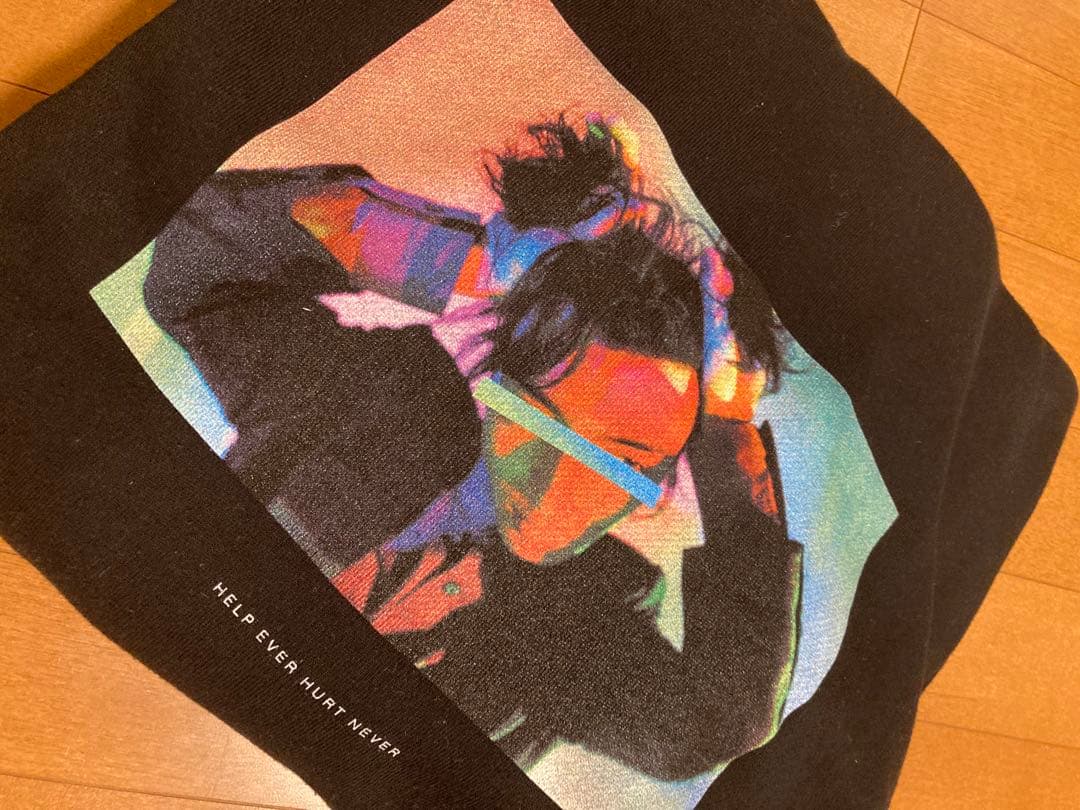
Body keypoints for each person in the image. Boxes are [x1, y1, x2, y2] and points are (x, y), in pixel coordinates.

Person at [143, 111, 804, 781]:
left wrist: (728, 430)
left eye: (628, 463)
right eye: (542, 423)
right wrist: (455, 258)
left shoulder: (580, 614)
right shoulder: (371, 402)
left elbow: (717, 724)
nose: (558, 493)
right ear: (499, 391)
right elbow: (188, 267)